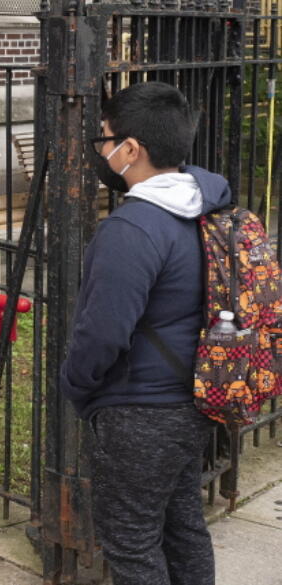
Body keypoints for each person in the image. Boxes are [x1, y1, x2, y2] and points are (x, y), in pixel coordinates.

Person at [60, 81, 224, 585]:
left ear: (132, 149)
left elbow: (103, 334)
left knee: (131, 543)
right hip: (195, 397)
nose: (101, 150)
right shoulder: (205, 207)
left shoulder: (132, 229)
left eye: (104, 139)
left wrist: (75, 383)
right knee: (182, 528)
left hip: (140, 411)